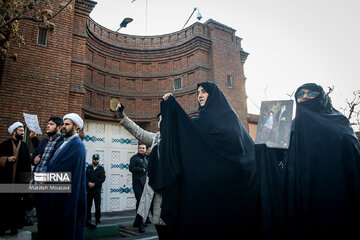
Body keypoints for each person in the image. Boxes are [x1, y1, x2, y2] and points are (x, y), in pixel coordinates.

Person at [256, 83, 360, 239]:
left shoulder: (338, 122)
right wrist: (264, 144)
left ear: (322, 97)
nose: (304, 96)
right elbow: (275, 156)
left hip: (331, 186)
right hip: (298, 187)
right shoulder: (289, 127)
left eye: (310, 93)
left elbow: (350, 149)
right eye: (299, 94)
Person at [158, 81, 260, 238]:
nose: (200, 95)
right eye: (198, 92)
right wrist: (171, 107)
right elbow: (184, 130)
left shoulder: (230, 121)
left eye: (204, 91)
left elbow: (245, 151)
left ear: (214, 95)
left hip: (232, 194)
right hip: (205, 196)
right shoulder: (199, 122)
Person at [116, 104, 169, 238]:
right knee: (160, 226)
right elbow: (139, 132)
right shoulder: (156, 138)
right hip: (155, 191)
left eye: (163, 118)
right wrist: (123, 116)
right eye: (159, 119)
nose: (160, 122)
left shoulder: (177, 139)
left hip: (170, 192)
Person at [37, 113, 86, 240]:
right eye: (63, 124)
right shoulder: (62, 142)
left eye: (67, 124)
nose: (63, 127)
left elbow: (63, 170)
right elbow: (50, 161)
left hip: (64, 196)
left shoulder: (77, 145)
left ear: (76, 127)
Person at [0, 122, 31, 236]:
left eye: (23, 130)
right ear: (14, 132)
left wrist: (26, 182)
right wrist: (7, 159)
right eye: (20, 130)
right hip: (6, 181)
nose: (22, 133)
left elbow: (28, 165)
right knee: (4, 205)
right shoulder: (4, 144)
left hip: (19, 182)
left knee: (17, 206)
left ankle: (14, 228)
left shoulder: (25, 146)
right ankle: (2, 228)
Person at [129, 143, 148, 233]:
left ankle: (137, 221)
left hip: (145, 184)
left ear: (145, 149)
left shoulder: (146, 159)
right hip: (137, 184)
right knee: (140, 202)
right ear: (138, 149)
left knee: (141, 202)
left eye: (143, 148)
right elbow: (131, 168)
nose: (141, 149)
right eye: (140, 148)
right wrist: (142, 169)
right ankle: (140, 224)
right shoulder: (134, 158)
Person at [86, 153, 106, 227]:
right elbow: (85, 177)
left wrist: (95, 184)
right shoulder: (88, 168)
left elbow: (102, 178)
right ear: (92, 160)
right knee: (88, 206)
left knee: (97, 206)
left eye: (97, 159)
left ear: (99, 160)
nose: (95, 161)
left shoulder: (101, 169)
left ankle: (98, 220)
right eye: (94, 159)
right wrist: (88, 182)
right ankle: (88, 219)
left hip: (97, 190)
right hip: (89, 190)